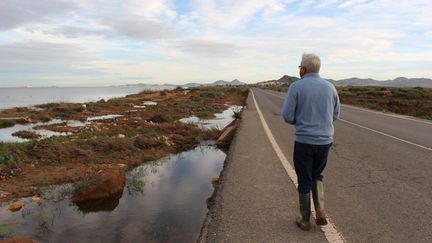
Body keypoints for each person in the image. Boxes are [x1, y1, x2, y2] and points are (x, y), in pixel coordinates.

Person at [281, 53, 340, 231]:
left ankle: (305, 219)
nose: (299, 70)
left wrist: (301, 122)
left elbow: (287, 116)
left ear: (304, 69)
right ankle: (320, 210)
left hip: (305, 141)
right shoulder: (330, 87)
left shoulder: (296, 87)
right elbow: (336, 115)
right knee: (317, 175)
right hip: (325, 141)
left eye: (299, 67)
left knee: (304, 179)